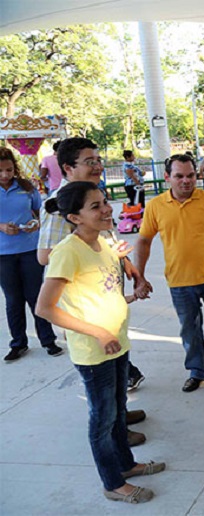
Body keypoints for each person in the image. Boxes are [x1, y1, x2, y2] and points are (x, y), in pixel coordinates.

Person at [35, 182, 165, 504]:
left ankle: (126, 464)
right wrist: (98, 332)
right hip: (94, 352)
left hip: (117, 343)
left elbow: (103, 290)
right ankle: (113, 483)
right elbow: (45, 308)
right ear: (74, 217)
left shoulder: (105, 243)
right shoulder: (67, 252)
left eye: (105, 202)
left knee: (118, 411)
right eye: (95, 206)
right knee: (102, 420)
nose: (107, 209)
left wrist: (135, 283)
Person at [37, 137, 149, 437]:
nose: (98, 166)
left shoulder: (94, 197)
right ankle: (114, 433)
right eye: (90, 162)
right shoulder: (63, 205)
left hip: (109, 298)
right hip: (86, 308)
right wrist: (84, 253)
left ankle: (119, 417)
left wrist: (128, 267)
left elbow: (109, 243)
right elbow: (45, 256)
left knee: (116, 377)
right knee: (101, 393)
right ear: (68, 168)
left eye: (99, 160)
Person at [135, 154, 204, 394]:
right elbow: (143, 241)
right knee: (189, 329)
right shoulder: (155, 206)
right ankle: (197, 371)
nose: (186, 181)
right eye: (179, 176)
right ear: (167, 177)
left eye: (191, 175)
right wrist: (139, 276)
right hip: (179, 281)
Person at [0, 147, 61, 361]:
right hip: (3, 254)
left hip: (30, 249)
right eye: (0, 171)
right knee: (13, 299)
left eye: (9, 170)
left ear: (14, 168)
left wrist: (35, 223)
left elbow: (40, 212)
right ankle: (18, 343)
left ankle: (48, 340)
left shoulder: (26, 187)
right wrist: (1, 226)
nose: (5, 175)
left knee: (36, 296)